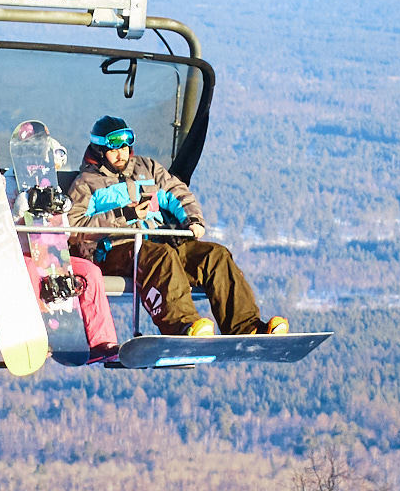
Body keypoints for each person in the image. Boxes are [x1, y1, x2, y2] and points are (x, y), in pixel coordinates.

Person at [65, 114, 287, 338]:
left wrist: (192, 219)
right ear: (99, 150)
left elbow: (175, 192)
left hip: (157, 243)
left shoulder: (147, 169)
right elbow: (72, 226)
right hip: (116, 249)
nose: (121, 153)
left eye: (125, 146)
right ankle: (184, 326)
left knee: (215, 255)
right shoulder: (86, 184)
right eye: (114, 149)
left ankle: (245, 326)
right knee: (160, 256)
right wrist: (124, 214)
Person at [7, 139, 120, 366]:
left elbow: (64, 234)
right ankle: (36, 334)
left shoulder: (52, 186)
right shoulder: (8, 184)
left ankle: (101, 341)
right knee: (28, 272)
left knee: (89, 272)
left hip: (52, 255)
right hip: (19, 255)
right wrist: (19, 209)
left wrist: (58, 211)